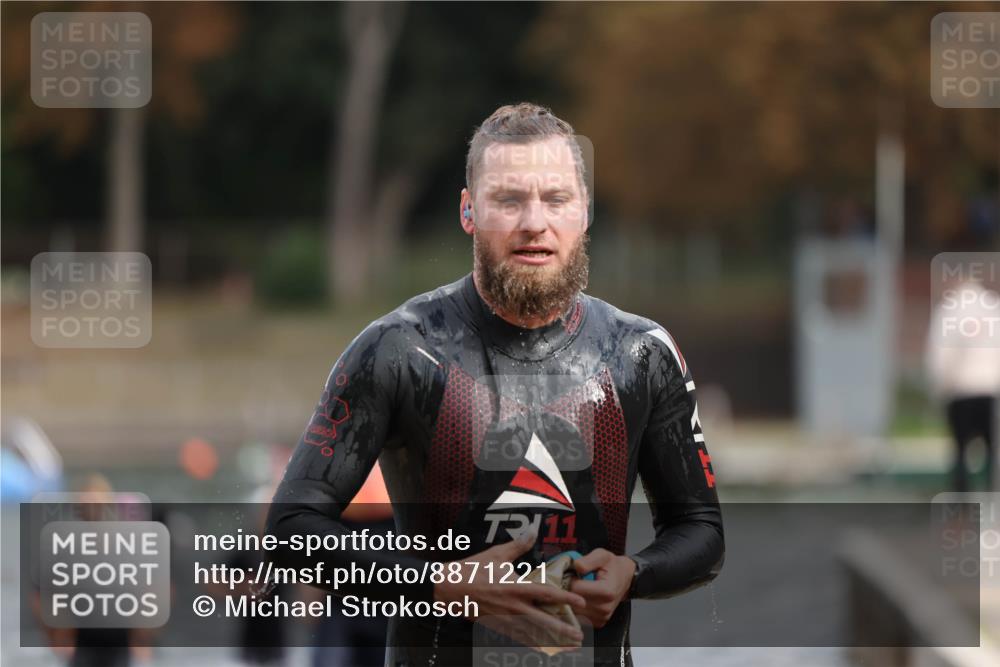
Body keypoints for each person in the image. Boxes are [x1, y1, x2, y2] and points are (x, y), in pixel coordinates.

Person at [267, 102, 724, 666]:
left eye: (555, 199)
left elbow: (701, 533)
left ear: (584, 211)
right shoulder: (399, 350)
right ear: (469, 211)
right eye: (509, 200)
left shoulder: (640, 353)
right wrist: (438, 586)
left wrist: (633, 572)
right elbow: (290, 530)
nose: (535, 222)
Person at [927, 278, 1000, 492]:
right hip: (991, 390)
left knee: (960, 451)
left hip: (961, 391)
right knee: (992, 451)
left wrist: (939, 387)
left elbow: (941, 355)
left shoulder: (950, 310)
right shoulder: (994, 308)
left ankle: (963, 500)